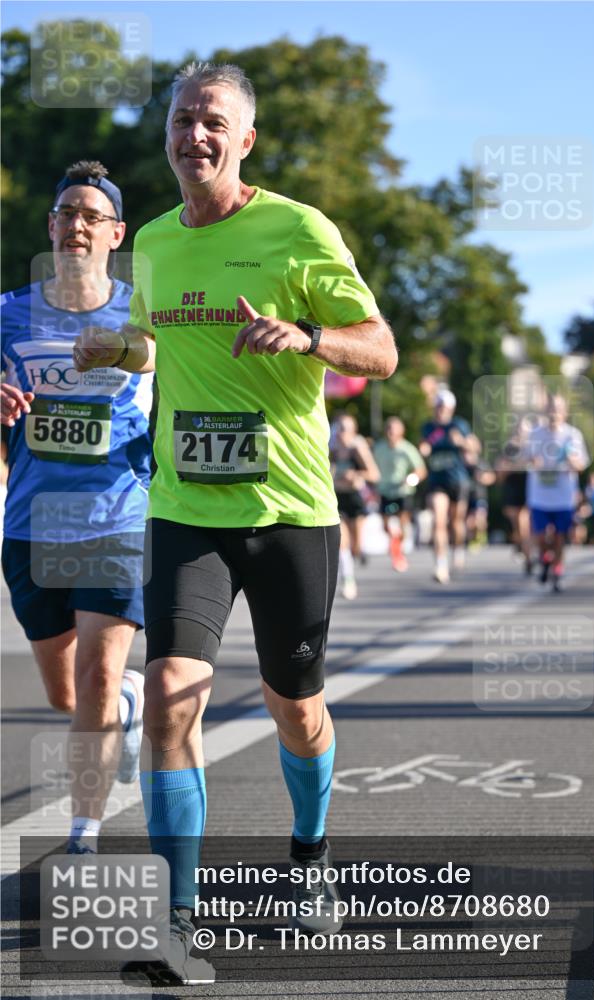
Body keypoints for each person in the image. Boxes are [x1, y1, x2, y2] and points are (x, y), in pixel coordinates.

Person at [74, 62, 397, 985]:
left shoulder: (296, 229)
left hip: (291, 510)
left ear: (244, 139)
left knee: (297, 707)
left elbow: (381, 349)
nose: (194, 136)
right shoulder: (161, 246)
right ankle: (179, 918)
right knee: (172, 692)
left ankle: (310, 855)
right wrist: (116, 348)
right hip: (186, 509)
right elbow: (152, 341)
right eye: (182, 121)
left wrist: (309, 339)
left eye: (213, 122)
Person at [1, 161, 153, 854]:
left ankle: (83, 832)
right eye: (67, 213)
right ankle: (127, 702)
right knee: (67, 695)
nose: (77, 225)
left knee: (95, 671)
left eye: (93, 215)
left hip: (115, 515)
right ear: (51, 227)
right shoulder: (8, 314)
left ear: (114, 233)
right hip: (33, 522)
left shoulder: (142, 311)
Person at [526, 394, 589, 592]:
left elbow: (582, 465)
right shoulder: (535, 434)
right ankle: (545, 559)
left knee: (560, 537)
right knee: (541, 536)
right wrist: (532, 462)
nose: (554, 413)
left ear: (565, 412)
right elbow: (524, 459)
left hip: (563, 496)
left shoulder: (572, 435)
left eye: (558, 409)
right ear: (545, 411)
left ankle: (557, 571)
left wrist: (573, 461)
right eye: (551, 408)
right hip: (539, 495)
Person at [419, 389, 474, 583]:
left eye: (445, 407)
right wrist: (423, 449)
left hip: (458, 480)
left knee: (457, 522)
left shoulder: (459, 425)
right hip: (437, 481)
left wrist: (461, 442)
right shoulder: (428, 427)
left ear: (451, 409)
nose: (441, 411)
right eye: (438, 407)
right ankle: (440, 565)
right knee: (439, 521)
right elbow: (424, 446)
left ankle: (458, 549)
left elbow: (474, 447)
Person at [330, 413, 380, 597]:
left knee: (356, 546)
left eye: (345, 429)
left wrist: (356, 476)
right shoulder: (331, 450)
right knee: (341, 540)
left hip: (356, 499)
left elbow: (374, 474)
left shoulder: (357, 449)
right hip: (337, 498)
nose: (340, 433)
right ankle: (348, 579)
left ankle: (357, 557)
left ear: (353, 432)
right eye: (338, 428)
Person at [372, 416, 426, 572]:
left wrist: (412, 479)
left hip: (402, 492)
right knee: (385, 525)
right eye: (388, 429)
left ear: (401, 432)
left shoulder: (407, 449)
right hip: (385, 491)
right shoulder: (379, 448)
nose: (391, 433)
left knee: (403, 523)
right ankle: (395, 543)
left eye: (394, 429)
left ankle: (398, 552)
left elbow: (421, 470)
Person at [496, 419, 533, 575]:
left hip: (528, 488)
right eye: (518, 429)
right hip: (513, 488)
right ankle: (522, 547)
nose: (520, 433)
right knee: (517, 524)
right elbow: (500, 471)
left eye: (523, 430)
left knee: (524, 522)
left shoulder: (533, 447)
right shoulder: (509, 448)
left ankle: (529, 555)